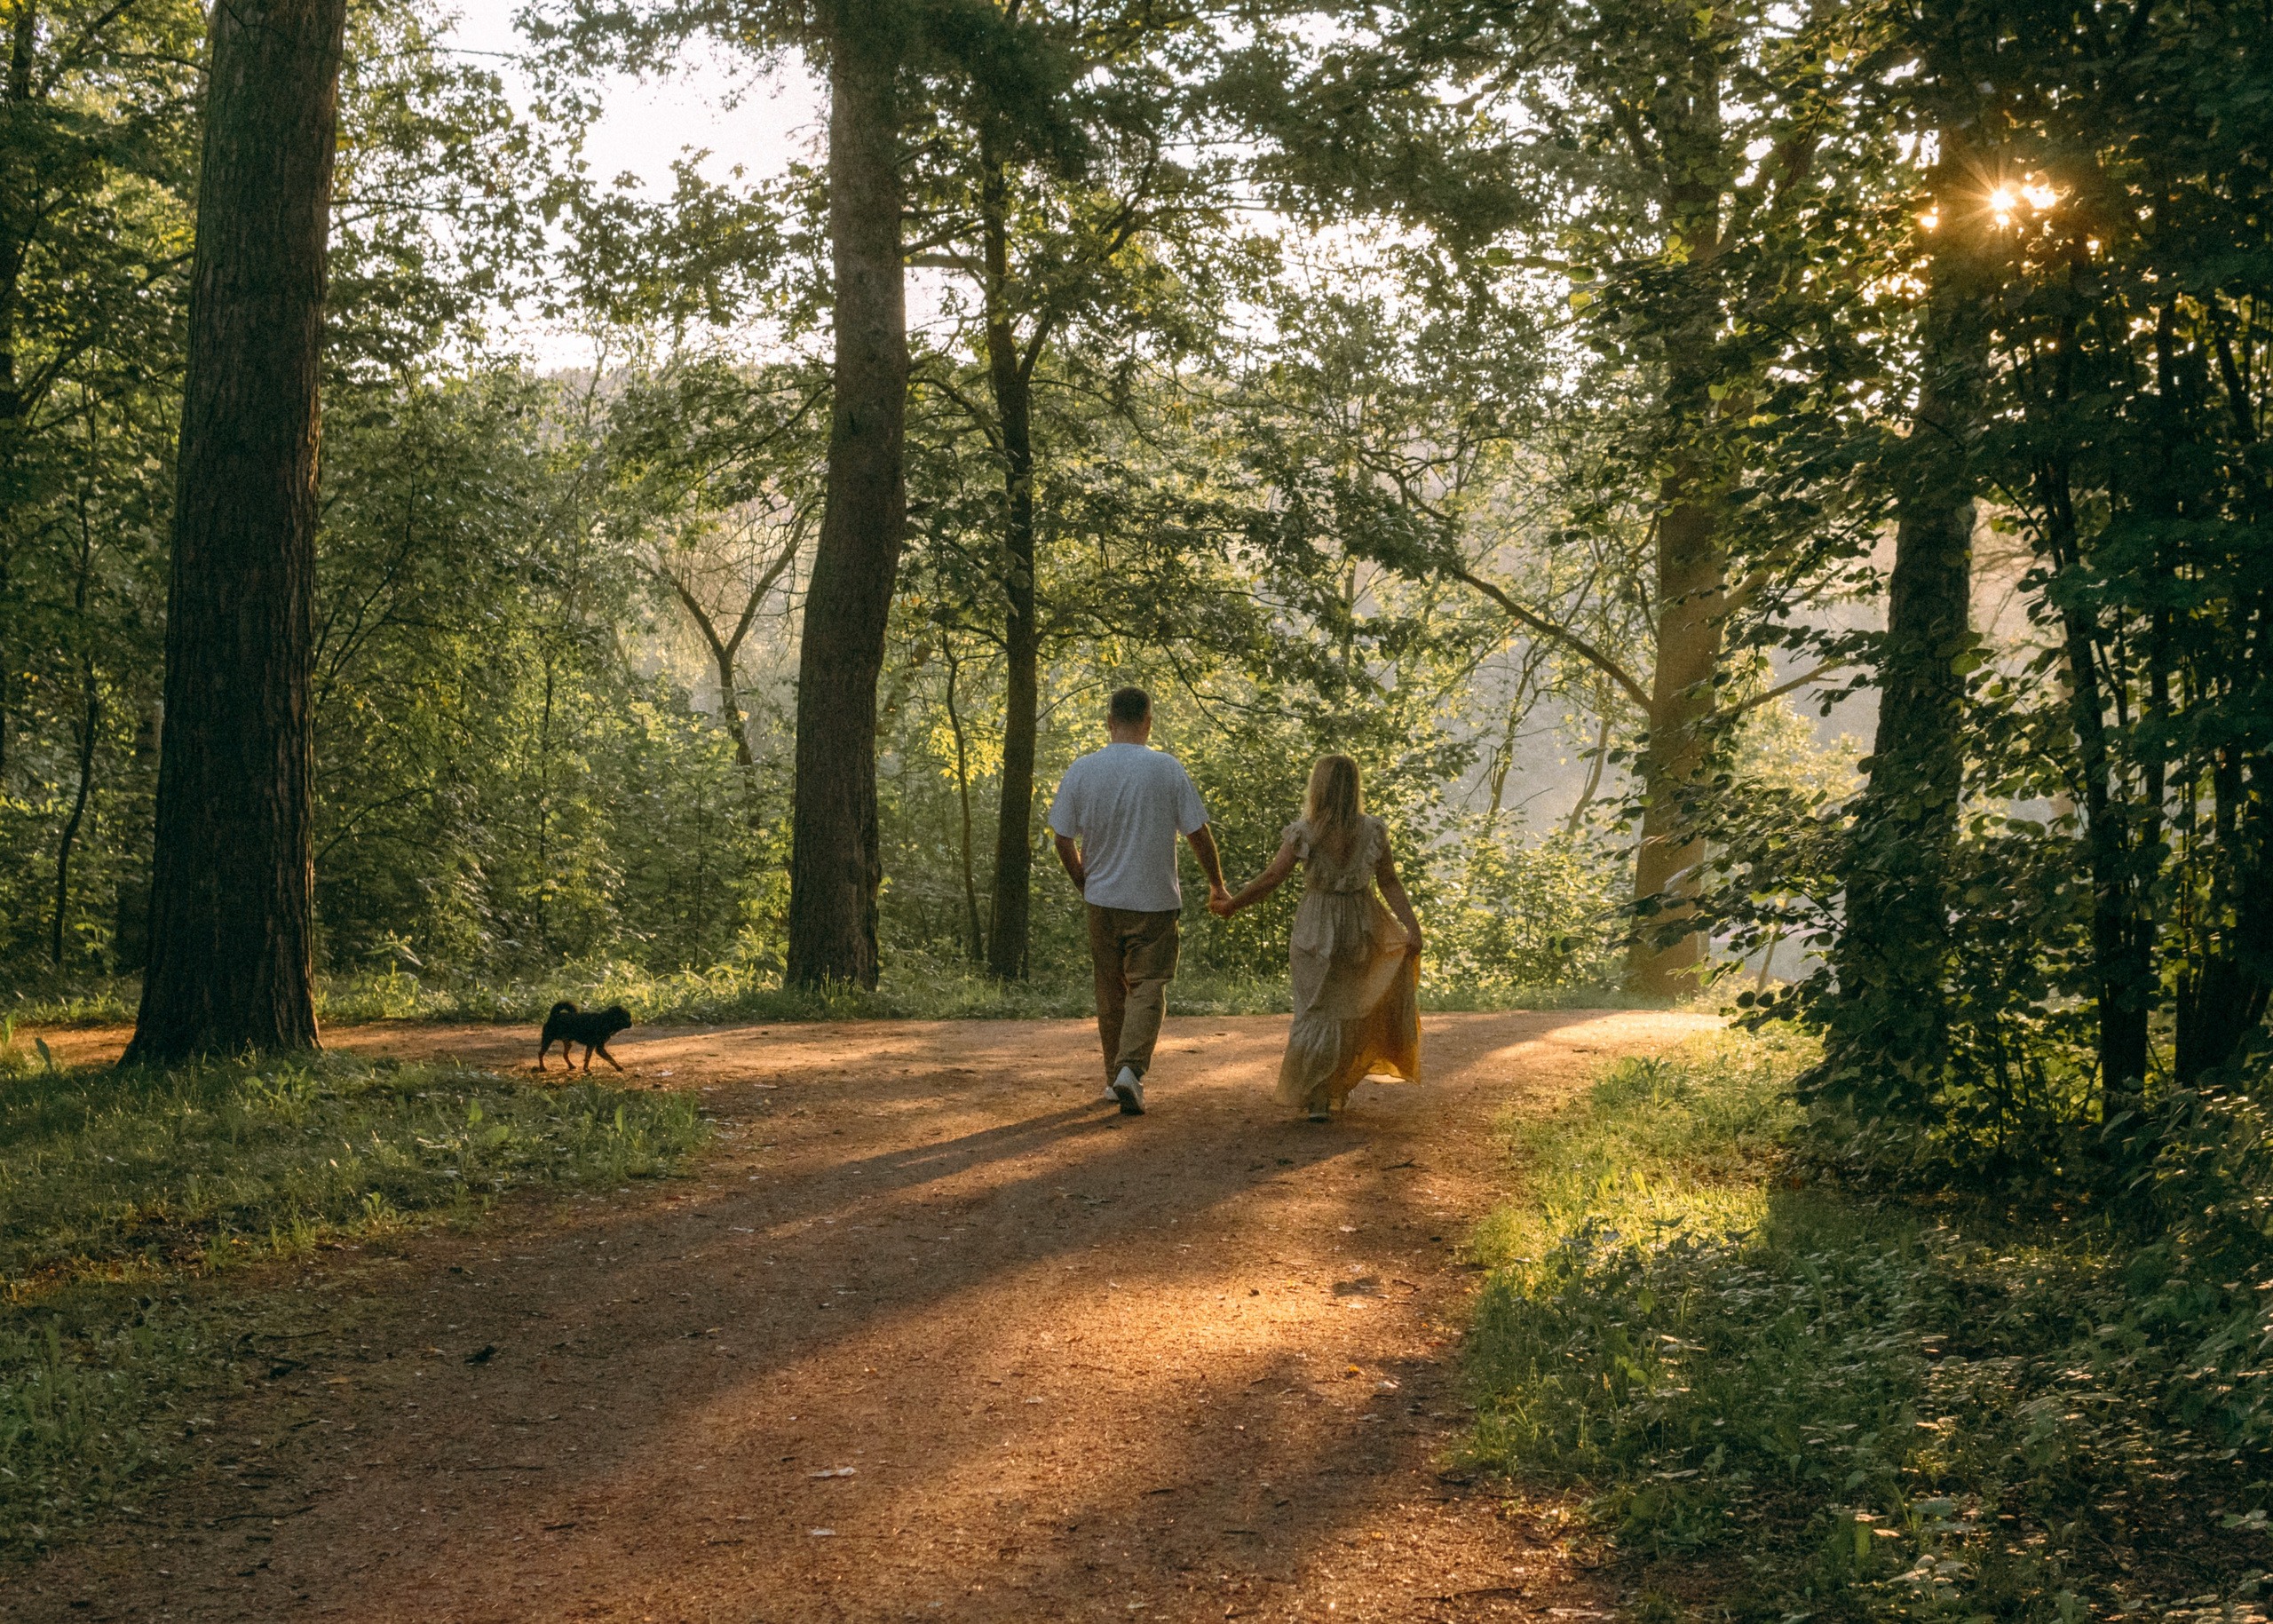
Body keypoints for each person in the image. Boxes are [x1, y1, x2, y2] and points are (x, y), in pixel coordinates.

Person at [1049, 686, 1230, 1116]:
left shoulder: (1082, 769)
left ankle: (1115, 1079)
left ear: (1108, 720)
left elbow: (1062, 837)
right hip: (1154, 901)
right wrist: (1216, 885)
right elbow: (1197, 834)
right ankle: (1130, 1070)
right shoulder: (1166, 768)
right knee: (1148, 985)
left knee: (1110, 991)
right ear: (1149, 722)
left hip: (1103, 901)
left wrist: (1083, 882)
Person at [1211, 754, 1422, 1121]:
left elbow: (1271, 878)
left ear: (1318, 788)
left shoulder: (1304, 832)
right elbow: (1388, 881)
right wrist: (1411, 926)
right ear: (1354, 788)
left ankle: (1318, 1095)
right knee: (1352, 1008)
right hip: (1361, 923)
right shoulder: (1371, 831)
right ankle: (1333, 1086)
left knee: (1314, 1008)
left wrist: (1233, 905)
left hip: (1317, 924)